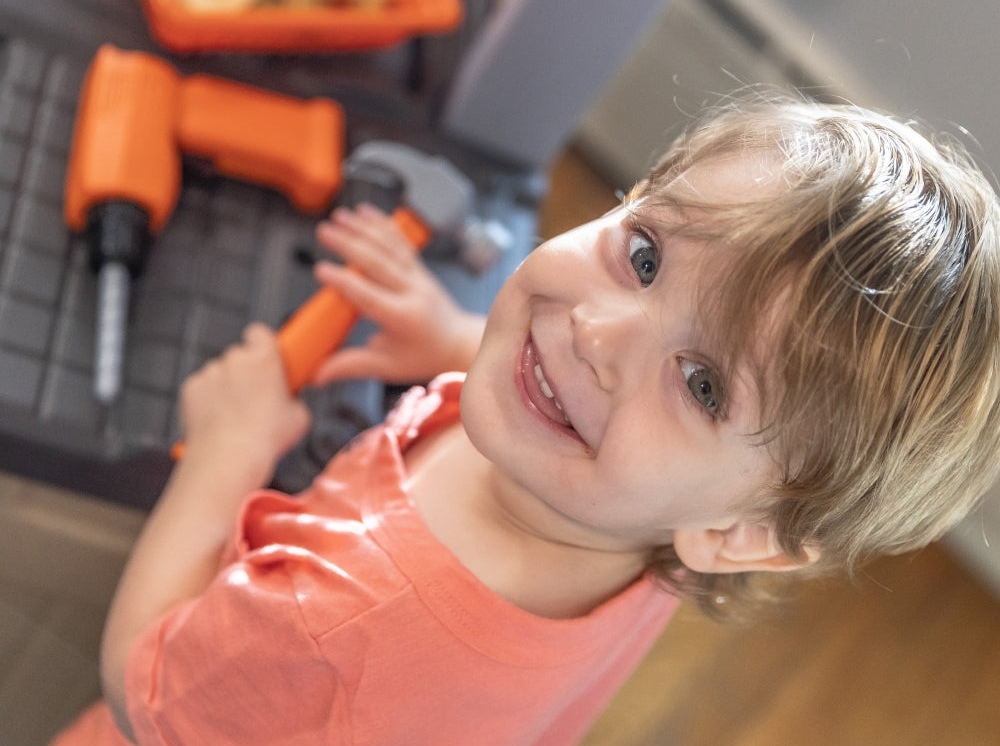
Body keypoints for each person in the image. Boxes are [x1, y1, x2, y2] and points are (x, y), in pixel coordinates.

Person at [52, 92, 1000, 746]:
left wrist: (223, 454)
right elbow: (603, 356)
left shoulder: (337, 619)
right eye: (644, 255)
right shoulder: (655, 511)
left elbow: (143, 689)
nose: (593, 331)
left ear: (743, 533)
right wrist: (450, 334)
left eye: (704, 383)